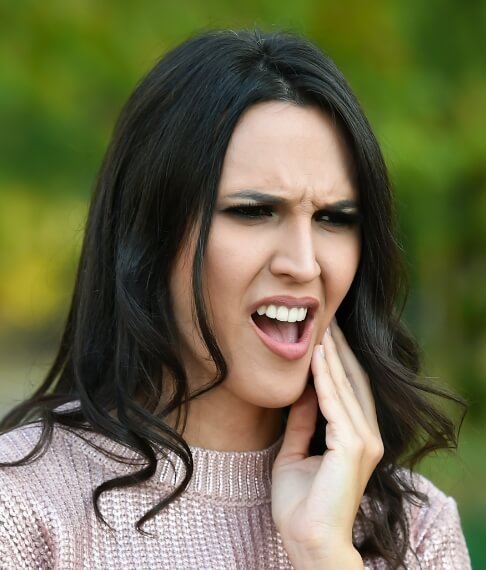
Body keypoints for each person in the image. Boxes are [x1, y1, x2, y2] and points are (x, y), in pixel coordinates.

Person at [0, 28, 472, 569]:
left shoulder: (416, 530)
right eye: (253, 211)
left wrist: (323, 551)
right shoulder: (22, 512)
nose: (303, 262)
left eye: (334, 219)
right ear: (150, 233)